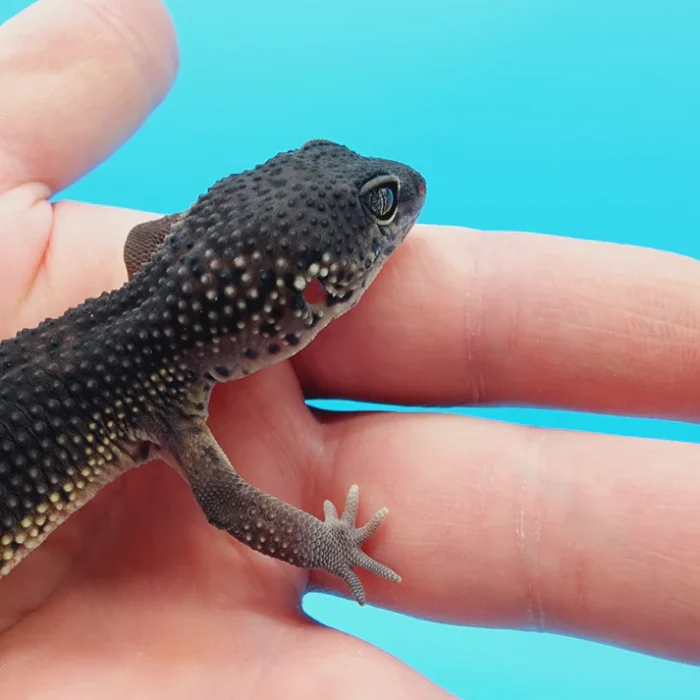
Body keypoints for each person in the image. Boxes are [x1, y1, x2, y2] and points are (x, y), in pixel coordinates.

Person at [0, 0, 698, 694]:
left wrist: (210, 244)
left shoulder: (150, 314)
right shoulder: (162, 399)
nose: (404, 198)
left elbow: (145, 245)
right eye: (383, 208)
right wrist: (324, 547)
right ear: (310, 299)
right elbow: (227, 503)